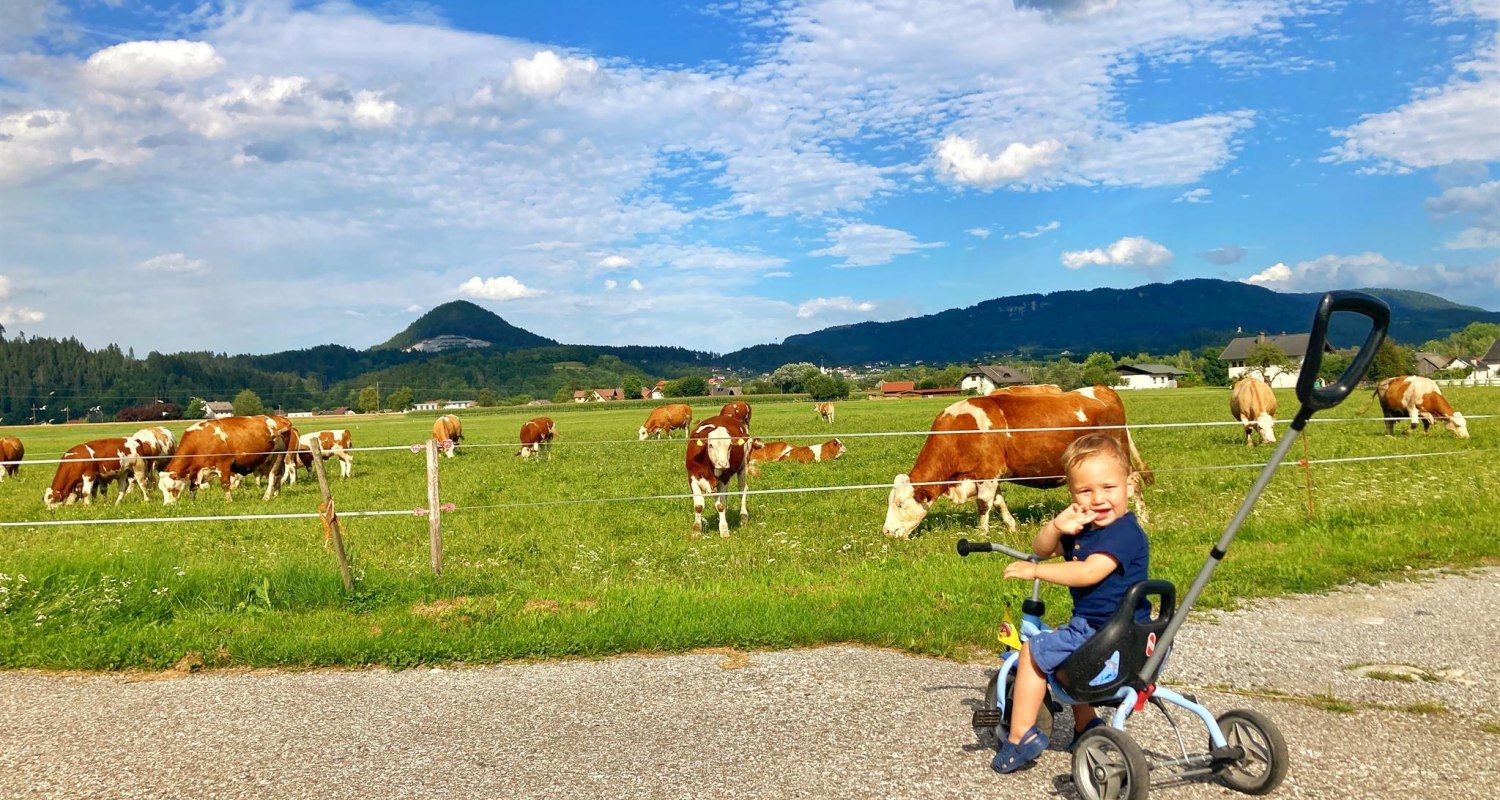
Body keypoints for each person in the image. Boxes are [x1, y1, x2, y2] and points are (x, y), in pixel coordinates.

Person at [991, 432, 1151, 774]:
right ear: (1072, 494)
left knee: (1034, 650)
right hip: (1133, 635)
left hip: (1104, 633)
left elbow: (1089, 572)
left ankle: (1019, 737)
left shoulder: (1123, 533)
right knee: (1070, 662)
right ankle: (1086, 725)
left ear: (1130, 486)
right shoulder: (1086, 531)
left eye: (1108, 488)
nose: (1098, 499)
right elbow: (1043, 547)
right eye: (1085, 491)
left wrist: (1037, 572)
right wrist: (1056, 525)